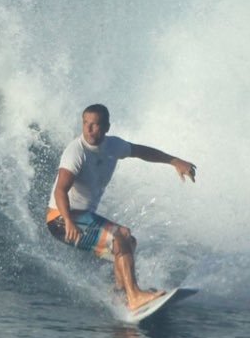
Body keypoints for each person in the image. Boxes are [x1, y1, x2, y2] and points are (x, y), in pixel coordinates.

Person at [45, 104, 197, 311]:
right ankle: (134, 296)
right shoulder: (75, 152)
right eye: (85, 124)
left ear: (106, 127)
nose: (89, 130)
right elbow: (60, 191)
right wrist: (69, 221)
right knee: (121, 235)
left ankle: (121, 294)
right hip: (61, 219)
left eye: (95, 125)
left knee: (128, 241)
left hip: (79, 216)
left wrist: (174, 161)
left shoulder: (113, 146)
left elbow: (141, 151)